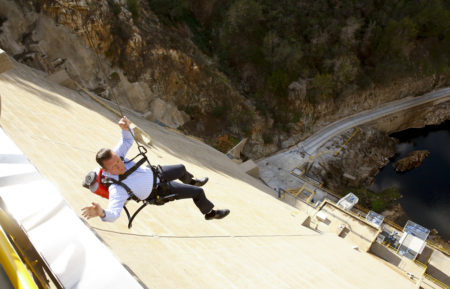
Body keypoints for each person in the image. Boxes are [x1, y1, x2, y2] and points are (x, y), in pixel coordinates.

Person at [81, 116, 230, 222]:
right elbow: (113, 214)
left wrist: (125, 128)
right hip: (159, 190)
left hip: (156, 173)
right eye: (114, 167)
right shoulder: (116, 189)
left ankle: (192, 181)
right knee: (198, 193)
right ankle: (210, 213)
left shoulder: (116, 156)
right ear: (106, 171)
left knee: (181, 168)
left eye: (119, 161)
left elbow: (127, 140)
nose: (120, 165)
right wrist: (101, 213)